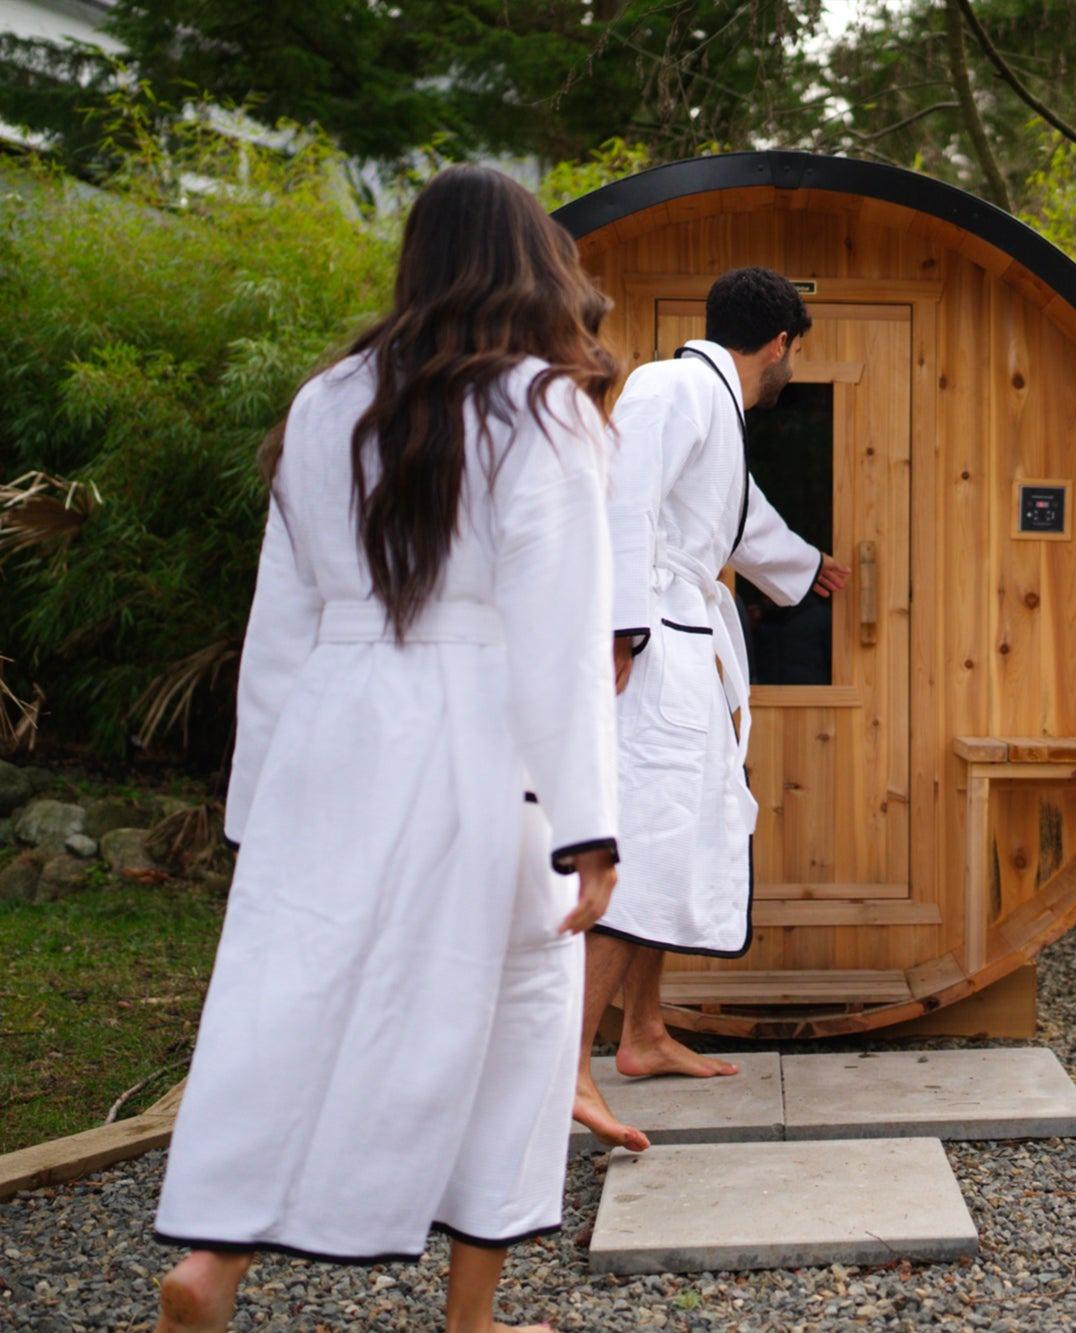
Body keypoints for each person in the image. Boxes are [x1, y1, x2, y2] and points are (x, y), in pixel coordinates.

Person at [151, 164, 621, 1333]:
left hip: (331, 727)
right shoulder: (542, 407)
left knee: (299, 1000)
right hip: (476, 741)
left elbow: (280, 623)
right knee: (517, 1008)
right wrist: (590, 826)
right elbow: (560, 637)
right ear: (531, 264)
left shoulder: (325, 401)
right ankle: (471, 1321)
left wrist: (257, 806)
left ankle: (212, 1264)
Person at [571, 267, 847, 1151]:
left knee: (677, 835)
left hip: (684, 639)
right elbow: (624, 497)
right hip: (652, 642)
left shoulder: (713, 407)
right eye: (794, 355)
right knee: (645, 841)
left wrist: (805, 565)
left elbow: (737, 520)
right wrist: (619, 629)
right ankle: (568, 1064)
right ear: (780, 344)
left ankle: (644, 1032)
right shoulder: (671, 385)